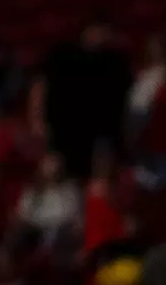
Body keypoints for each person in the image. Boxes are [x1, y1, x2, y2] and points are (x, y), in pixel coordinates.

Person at [39, 19, 134, 179]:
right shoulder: (63, 54)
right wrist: (38, 119)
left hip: (101, 131)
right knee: (61, 174)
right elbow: (41, 85)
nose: (101, 36)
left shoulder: (115, 61)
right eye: (98, 30)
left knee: (98, 178)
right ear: (86, 30)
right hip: (65, 128)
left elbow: (126, 98)